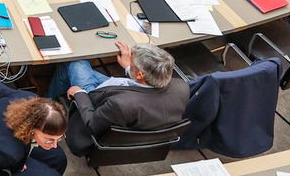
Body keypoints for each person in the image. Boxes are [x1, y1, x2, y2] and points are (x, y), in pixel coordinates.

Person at [51, 41, 189, 156]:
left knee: (77, 61)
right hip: (125, 94)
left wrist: (80, 93)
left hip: (94, 105)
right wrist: (129, 68)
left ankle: (49, 110)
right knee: (69, 68)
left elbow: (92, 124)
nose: (129, 59)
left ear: (140, 75)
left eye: (131, 60)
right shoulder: (181, 87)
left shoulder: (120, 105)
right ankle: (49, 104)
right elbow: (142, 85)